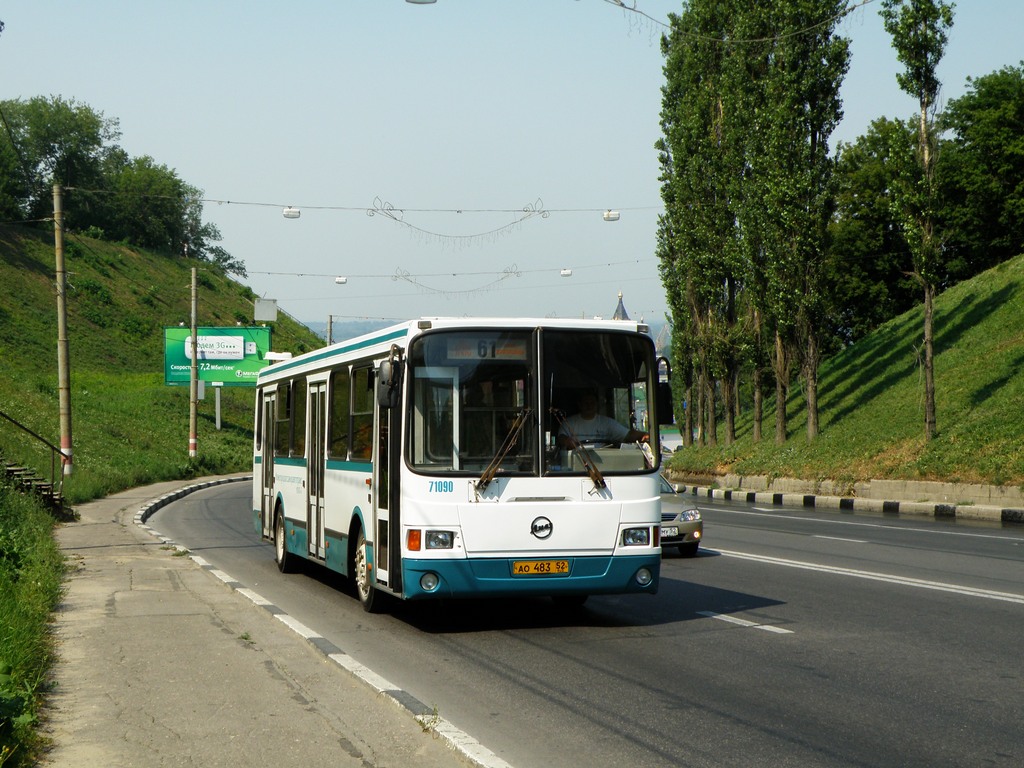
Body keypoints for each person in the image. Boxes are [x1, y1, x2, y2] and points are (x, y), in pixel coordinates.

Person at [557, 389, 648, 449]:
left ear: (597, 404)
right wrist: (567, 441)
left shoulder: (607, 423)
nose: (589, 406)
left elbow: (627, 435)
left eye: (592, 403)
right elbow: (561, 438)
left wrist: (645, 435)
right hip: (576, 464)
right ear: (579, 405)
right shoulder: (568, 423)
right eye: (586, 403)